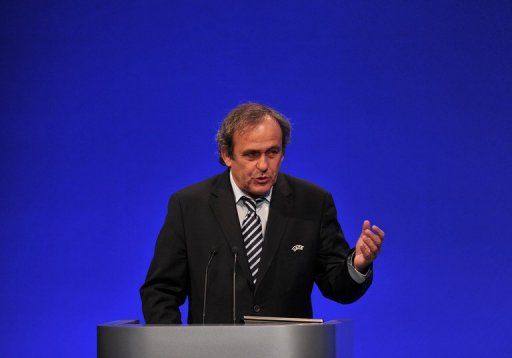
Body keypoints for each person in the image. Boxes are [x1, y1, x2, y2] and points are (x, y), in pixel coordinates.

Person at [140, 103, 384, 324]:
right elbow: (161, 291)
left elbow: (337, 287)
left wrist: (358, 264)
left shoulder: (313, 202)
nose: (264, 165)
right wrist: (174, 348)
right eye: (252, 154)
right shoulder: (190, 205)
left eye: (273, 152)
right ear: (227, 155)